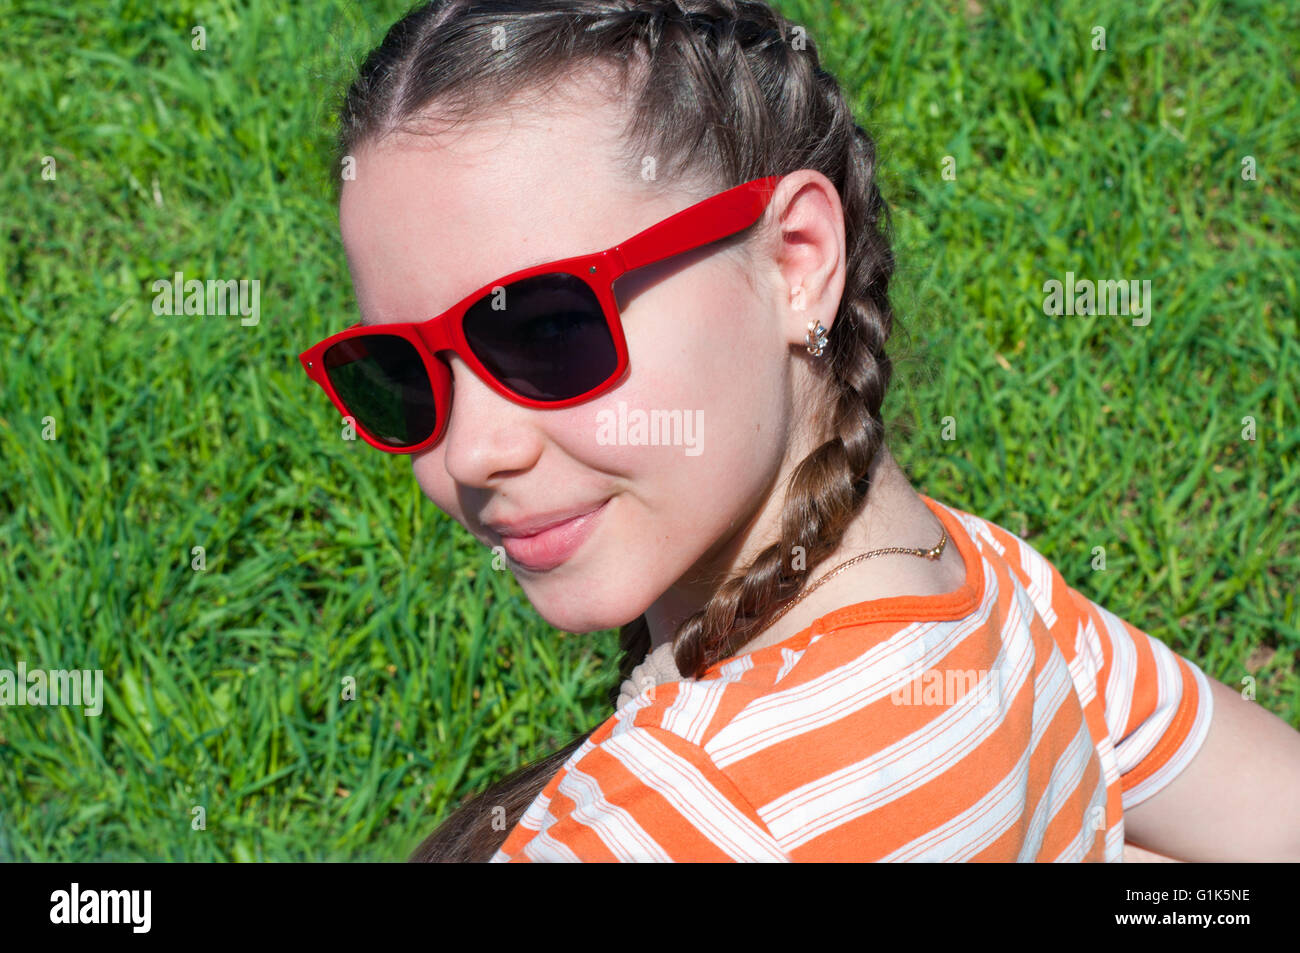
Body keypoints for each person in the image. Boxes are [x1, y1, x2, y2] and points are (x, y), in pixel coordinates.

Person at [297, 0, 1300, 862]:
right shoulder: (993, 593)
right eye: (401, 372)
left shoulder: (637, 830)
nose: (470, 451)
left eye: (547, 327)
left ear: (795, 259)